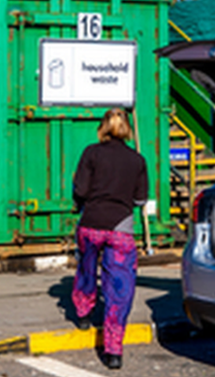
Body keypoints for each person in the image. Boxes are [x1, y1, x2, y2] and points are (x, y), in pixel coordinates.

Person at [71, 108, 148, 370]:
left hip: (91, 223)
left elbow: (80, 189)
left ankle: (83, 313)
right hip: (121, 229)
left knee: (86, 269)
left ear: (103, 127)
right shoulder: (137, 160)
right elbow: (139, 200)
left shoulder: (91, 153)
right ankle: (114, 351)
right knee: (119, 289)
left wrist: (81, 199)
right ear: (127, 128)